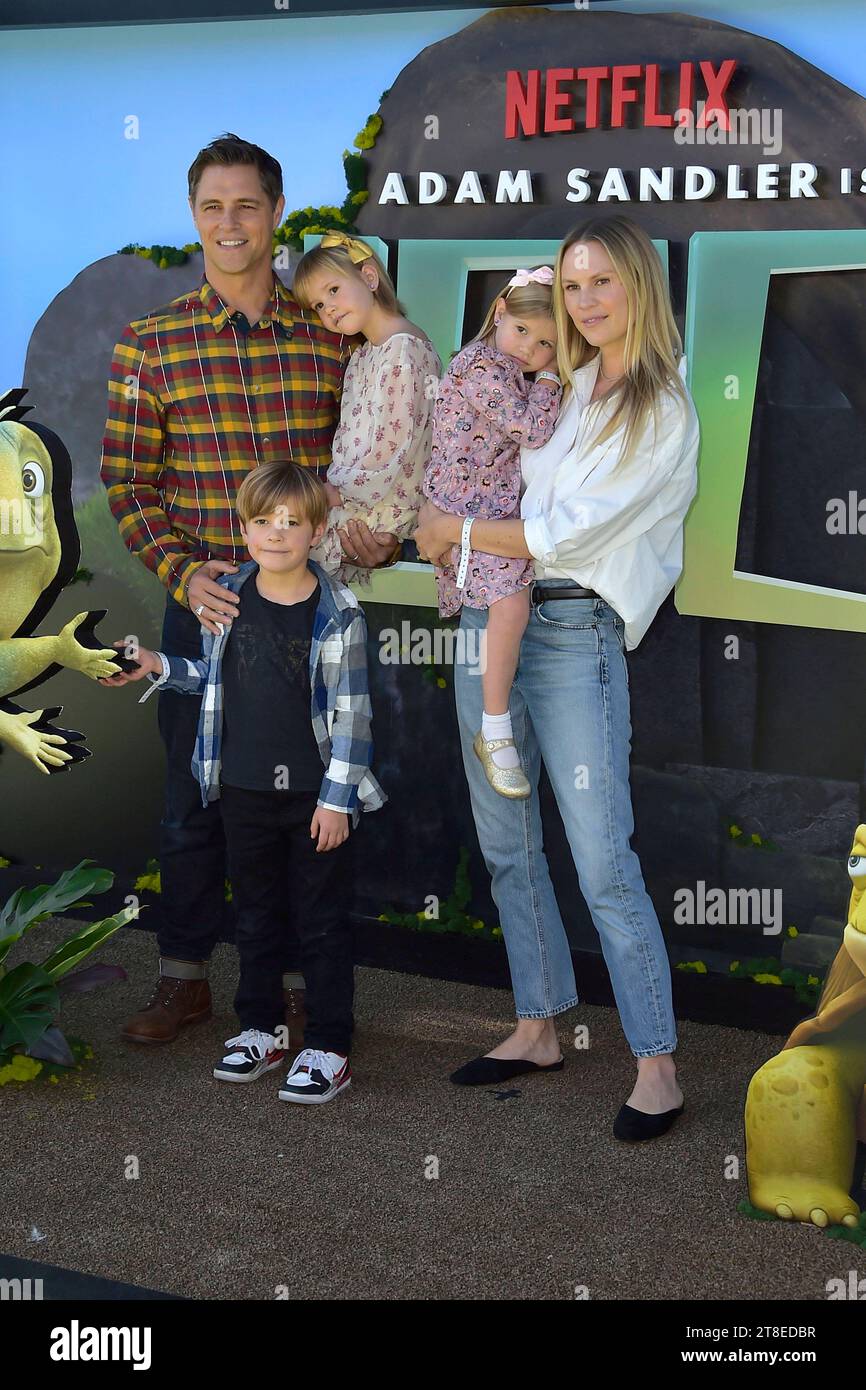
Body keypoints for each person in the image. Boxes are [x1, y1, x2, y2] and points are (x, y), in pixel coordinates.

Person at [99, 134, 396, 1047]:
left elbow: (371, 460)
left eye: (247, 206)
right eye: (211, 207)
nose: (229, 224)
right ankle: (184, 979)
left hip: (309, 614)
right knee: (194, 805)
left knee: (310, 800)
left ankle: (303, 990)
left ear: (275, 213)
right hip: (205, 608)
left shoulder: (327, 335)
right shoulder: (149, 344)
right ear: (194, 217)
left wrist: (378, 534)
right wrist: (186, 575)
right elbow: (127, 484)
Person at [414, 216, 701, 1142]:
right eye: (572, 285)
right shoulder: (558, 380)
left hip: (574, 628)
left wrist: (446, 531)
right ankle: (538, 1026)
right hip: (493, 612)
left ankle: (656, 1065)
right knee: (506, 839)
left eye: (602, 283)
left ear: (641, 288)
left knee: (601, 858)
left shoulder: (662, 405)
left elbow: (562, 534)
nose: (583, 302)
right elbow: (483, 411)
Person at [101, 461, 385, 1104]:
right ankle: (261, 1028)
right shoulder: (228, 596)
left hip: (317, 801)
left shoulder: (338, 612)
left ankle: (329, 1044)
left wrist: (337, 801)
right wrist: (153, 664)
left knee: (320, 921)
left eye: (292, 523)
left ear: (317, 532)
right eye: (263, 521)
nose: (276, 534)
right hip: (242, 792)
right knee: (255, 916)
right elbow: (207, 679)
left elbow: (354, 716)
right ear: (244, 526)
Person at [423, 266, 561, 799]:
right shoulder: (484, 365)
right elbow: (532, 428)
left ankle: (497, 724)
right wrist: (551, 380)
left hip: (476, 503)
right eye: (523, 330)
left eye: (547, 344)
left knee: (506, 609)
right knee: (510, 607)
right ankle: (496, 728)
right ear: (499, 310)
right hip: (467, 507)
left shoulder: (498, 365)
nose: (530, 349)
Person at [292, 230, 441, 588]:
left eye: (333, 291)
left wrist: (337, 490)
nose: (329, 309)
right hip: (358, 501)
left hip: (381, 506)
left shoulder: (403, 350)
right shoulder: (364, 354)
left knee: (288, 552)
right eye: (318, 305)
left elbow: (395, 445)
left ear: (369, 277)